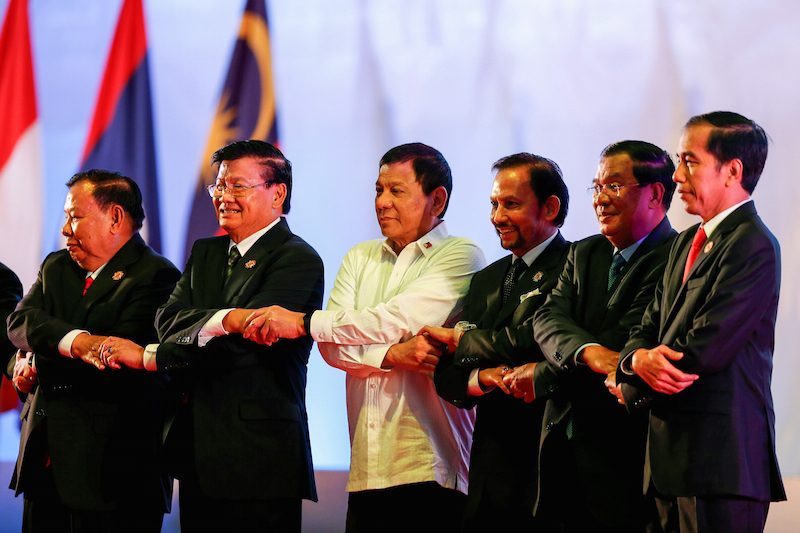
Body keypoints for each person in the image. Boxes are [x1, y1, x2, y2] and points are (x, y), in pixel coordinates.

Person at [246, 143, 485, 532]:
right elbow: (333, 348)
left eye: (397, 190)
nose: (382, 202)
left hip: (430, 462)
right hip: (368, 464)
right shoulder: (361, 256)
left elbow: (397, 318)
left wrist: (305, 323)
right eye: (378, 190)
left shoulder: (462, 254)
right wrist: (394, 355)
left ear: (437, 199)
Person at [104, 140, 324, 532]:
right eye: (219, 186)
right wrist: (228, 318)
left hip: (259, 457)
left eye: (237, 186)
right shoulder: (205, 252)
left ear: (278, 193)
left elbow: (247, 344)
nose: (224, 197)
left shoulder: (297, 258)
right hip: (197, 452)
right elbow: (166, 321)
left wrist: (157, 355)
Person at [618, 112, 786, 532]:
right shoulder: (684, 244)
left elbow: (704, 349)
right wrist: (634, 361)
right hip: (666, 466)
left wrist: (631, 375)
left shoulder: (753, 244)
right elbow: (645, 326)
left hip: (720, 466)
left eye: (689, 161)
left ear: (732, 171)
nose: (677, 176)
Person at [503, 140, 677, 532]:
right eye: (596, 187)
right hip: (560, 461)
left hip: (625, 461)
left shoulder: (676, 258)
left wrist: (546, 372)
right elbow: (546, 319)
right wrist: (591, 352)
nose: (600, 199)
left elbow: (632, 337)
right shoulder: (584, 253)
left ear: (655, 193)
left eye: (613, 186)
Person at [5, 170, 180, 533]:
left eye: (74, 216)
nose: (65, 230)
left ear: (115, 217)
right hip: (45, 468)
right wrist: (79, 344)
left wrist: (40, 360)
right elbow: (19, 324)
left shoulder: (157, 277)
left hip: (115, 476)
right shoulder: (57, 266)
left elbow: (118, 362)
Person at [422, 153, 569, 530]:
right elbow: (446, 371)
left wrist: (463, 339)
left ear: (550, 207)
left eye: (511, 204)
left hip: (548, 471)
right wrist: (483, 378)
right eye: (494, 204)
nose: (497, 217)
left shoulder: (575, 265)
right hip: (488, 471)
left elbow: (539, 340)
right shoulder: (487, 278)